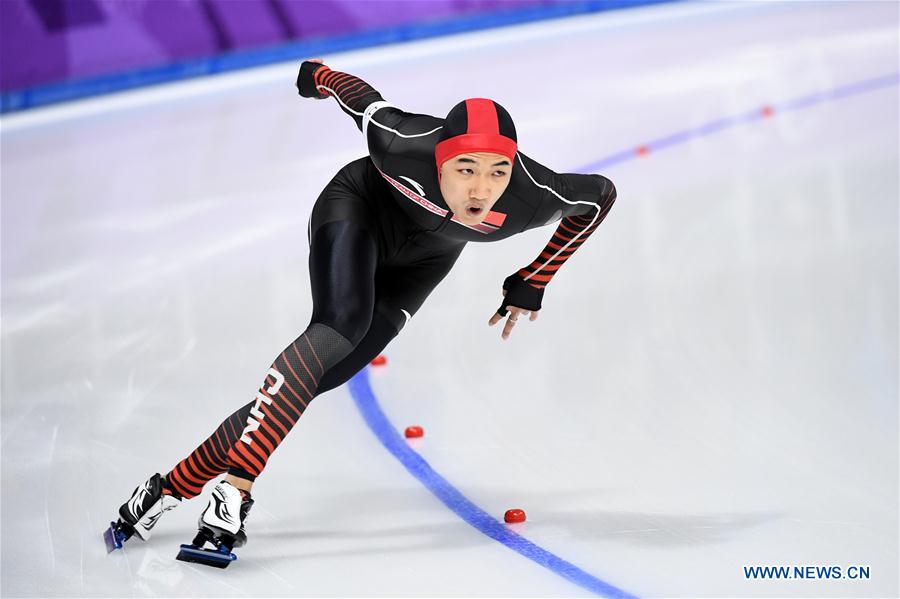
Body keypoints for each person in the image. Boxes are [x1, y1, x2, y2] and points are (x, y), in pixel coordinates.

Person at [104, 59, 617, 562]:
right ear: (440, 159)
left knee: (319, 378)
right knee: (339, 325)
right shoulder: (401, 142)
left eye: (497, 171)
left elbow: (599, 198)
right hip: (357, 209)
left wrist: (536, 277)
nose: (481, 188)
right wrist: (319, 76)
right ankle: (235, 489)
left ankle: (168, 486)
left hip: (426, 260)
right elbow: (361, 99)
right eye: (466, 169)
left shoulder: (533, 195)